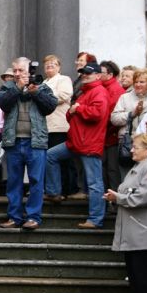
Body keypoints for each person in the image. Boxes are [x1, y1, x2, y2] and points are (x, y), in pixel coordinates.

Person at [45, 62, 109, 229]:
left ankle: (96, 219)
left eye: (88, 73)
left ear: (98, 75)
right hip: (75, 142)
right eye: (83, 73)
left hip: (89, 144)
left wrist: (78, 109)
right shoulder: (85, 91)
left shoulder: (99, 91)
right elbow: (70, 115)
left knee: (95, 183)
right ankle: (53, 192)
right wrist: (73, 111)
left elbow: (97, 114)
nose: (85, 75)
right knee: (50, 156)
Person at [0, 57, 57, 230]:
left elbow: (50, 106)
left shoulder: (41, 86)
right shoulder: (8, 87)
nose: (17, 74)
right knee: (13, 182)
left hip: (35, 142)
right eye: (14, 71)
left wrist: (35, 92)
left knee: (36, 181)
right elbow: (2, 103)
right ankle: (14, 217)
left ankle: (33, 217)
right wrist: (18, 88)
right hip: (13, 142)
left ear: (29, 70)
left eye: (21, 71)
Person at [106, 133, 147, 293]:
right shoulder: (138, 167)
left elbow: (143, 196)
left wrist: (119, 198)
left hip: (143, 233)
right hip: (133, 231)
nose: (131, 150)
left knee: (144, 278)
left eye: (136, 147)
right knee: (135, 277)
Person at [42, 55, 75, 197]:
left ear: (59, 67)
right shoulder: (42, 82)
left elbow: (64, 95)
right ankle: (52, 190)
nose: (49, 66)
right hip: (45, 127)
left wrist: (42, 96)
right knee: (48, 161)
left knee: (62, 161)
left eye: (53, 64)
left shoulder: (64, 79)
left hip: (59, 126)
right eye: (47, 64)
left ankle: (66, 190)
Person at [111, 68, 147, 178]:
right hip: (127, 142)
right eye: (136, 81)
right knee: (127, 176)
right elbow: (114, 118)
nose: (138, 84)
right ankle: (126, 195)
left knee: (145, 178)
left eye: (142, 82)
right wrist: (131, 114)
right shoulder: (125, 97)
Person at [100, 60, 125, 193]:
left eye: (101, 72)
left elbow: (111, 116)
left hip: (111, 137)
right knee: (105, 169)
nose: (98, 75)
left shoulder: (115, 90)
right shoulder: (103, 88)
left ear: (110, 75)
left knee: (112, 170)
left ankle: (113, 201)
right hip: (104, 136)